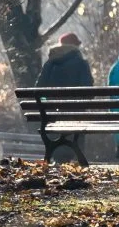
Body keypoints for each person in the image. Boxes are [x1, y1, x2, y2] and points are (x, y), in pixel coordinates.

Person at [35, 32, 94, 163]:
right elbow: (89, 92)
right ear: (75, 46)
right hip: (76, 115)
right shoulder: (81, 63)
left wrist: (47, 103)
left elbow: (39, 87)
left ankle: (59, 158)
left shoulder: (50, 63)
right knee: (78, 119)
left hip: (53, 114)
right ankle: (76, 159)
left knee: (58, 120)